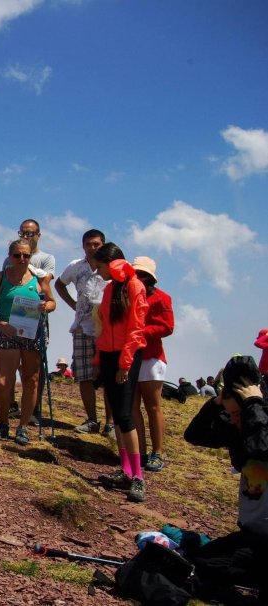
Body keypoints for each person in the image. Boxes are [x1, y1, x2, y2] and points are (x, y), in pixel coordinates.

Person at [183, 355, 268, 604]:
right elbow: (194, 435)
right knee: (203, 562)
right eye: (230, 415)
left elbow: (261, 447)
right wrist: (215, 403)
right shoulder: (241, 426)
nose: (233, 420)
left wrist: (254, 404)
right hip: (255, 538)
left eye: (236, 415)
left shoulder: (259, 426)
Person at [0, 239, 56, 446]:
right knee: (3, 381)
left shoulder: (39, 278)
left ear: (31, 255)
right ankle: (3, 422)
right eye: (17, 255)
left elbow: (52, 302)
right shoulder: (0, 278)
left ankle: (23, 427)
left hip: (32, 332)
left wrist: (46, 306)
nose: (22, 259)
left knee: (31, 380)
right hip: (7, 331)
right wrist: (0, 324)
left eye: (26, 255)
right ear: (10, 256)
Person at [92, 243, 149, 503]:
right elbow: (103, 326)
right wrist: (99, 357)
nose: (97, 270)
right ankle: (125, 470)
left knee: (125, 415)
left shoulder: (135, 286)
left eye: (100, 266)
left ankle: (138, 476)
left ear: (111, 264)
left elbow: (137, 328)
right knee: (116, 413)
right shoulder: (110, 288)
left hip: (127, 355)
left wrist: (125, 364)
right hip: (109, 355)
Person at [55, 228, 113, 435]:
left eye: (96, 244)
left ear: (103, 245)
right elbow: (59, 284)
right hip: (81, 326)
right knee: (84, 376)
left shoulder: (111, 268)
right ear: (83, 246)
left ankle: (111, 423)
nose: (92, 248)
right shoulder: (75, 266)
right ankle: (92, 420)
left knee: (109, 376)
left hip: (106, 329)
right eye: (88, 244)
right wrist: (73, 304)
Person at [2, 219, 55, 422]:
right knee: (12, 364)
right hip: (11, 317)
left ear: (38, 235)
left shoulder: (47, 258)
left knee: (33, 366)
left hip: (34, 316)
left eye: (30, 233)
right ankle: (12, 404)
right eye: (23, 233)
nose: (26, 237)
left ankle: (33, 408)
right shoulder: (9, 260)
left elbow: (45, 283)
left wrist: (26, 265)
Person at [128, 256, 174, 473]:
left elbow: (167, 326)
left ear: (151, 277)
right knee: (132, 406)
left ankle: (158, 452)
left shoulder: (162, 298)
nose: (139, 277)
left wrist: (140, 332)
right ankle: (141, 451)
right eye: (136, 273)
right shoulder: (126, 294)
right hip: (128, 356)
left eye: (143, 274)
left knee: (152, 406)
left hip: (151, 356)